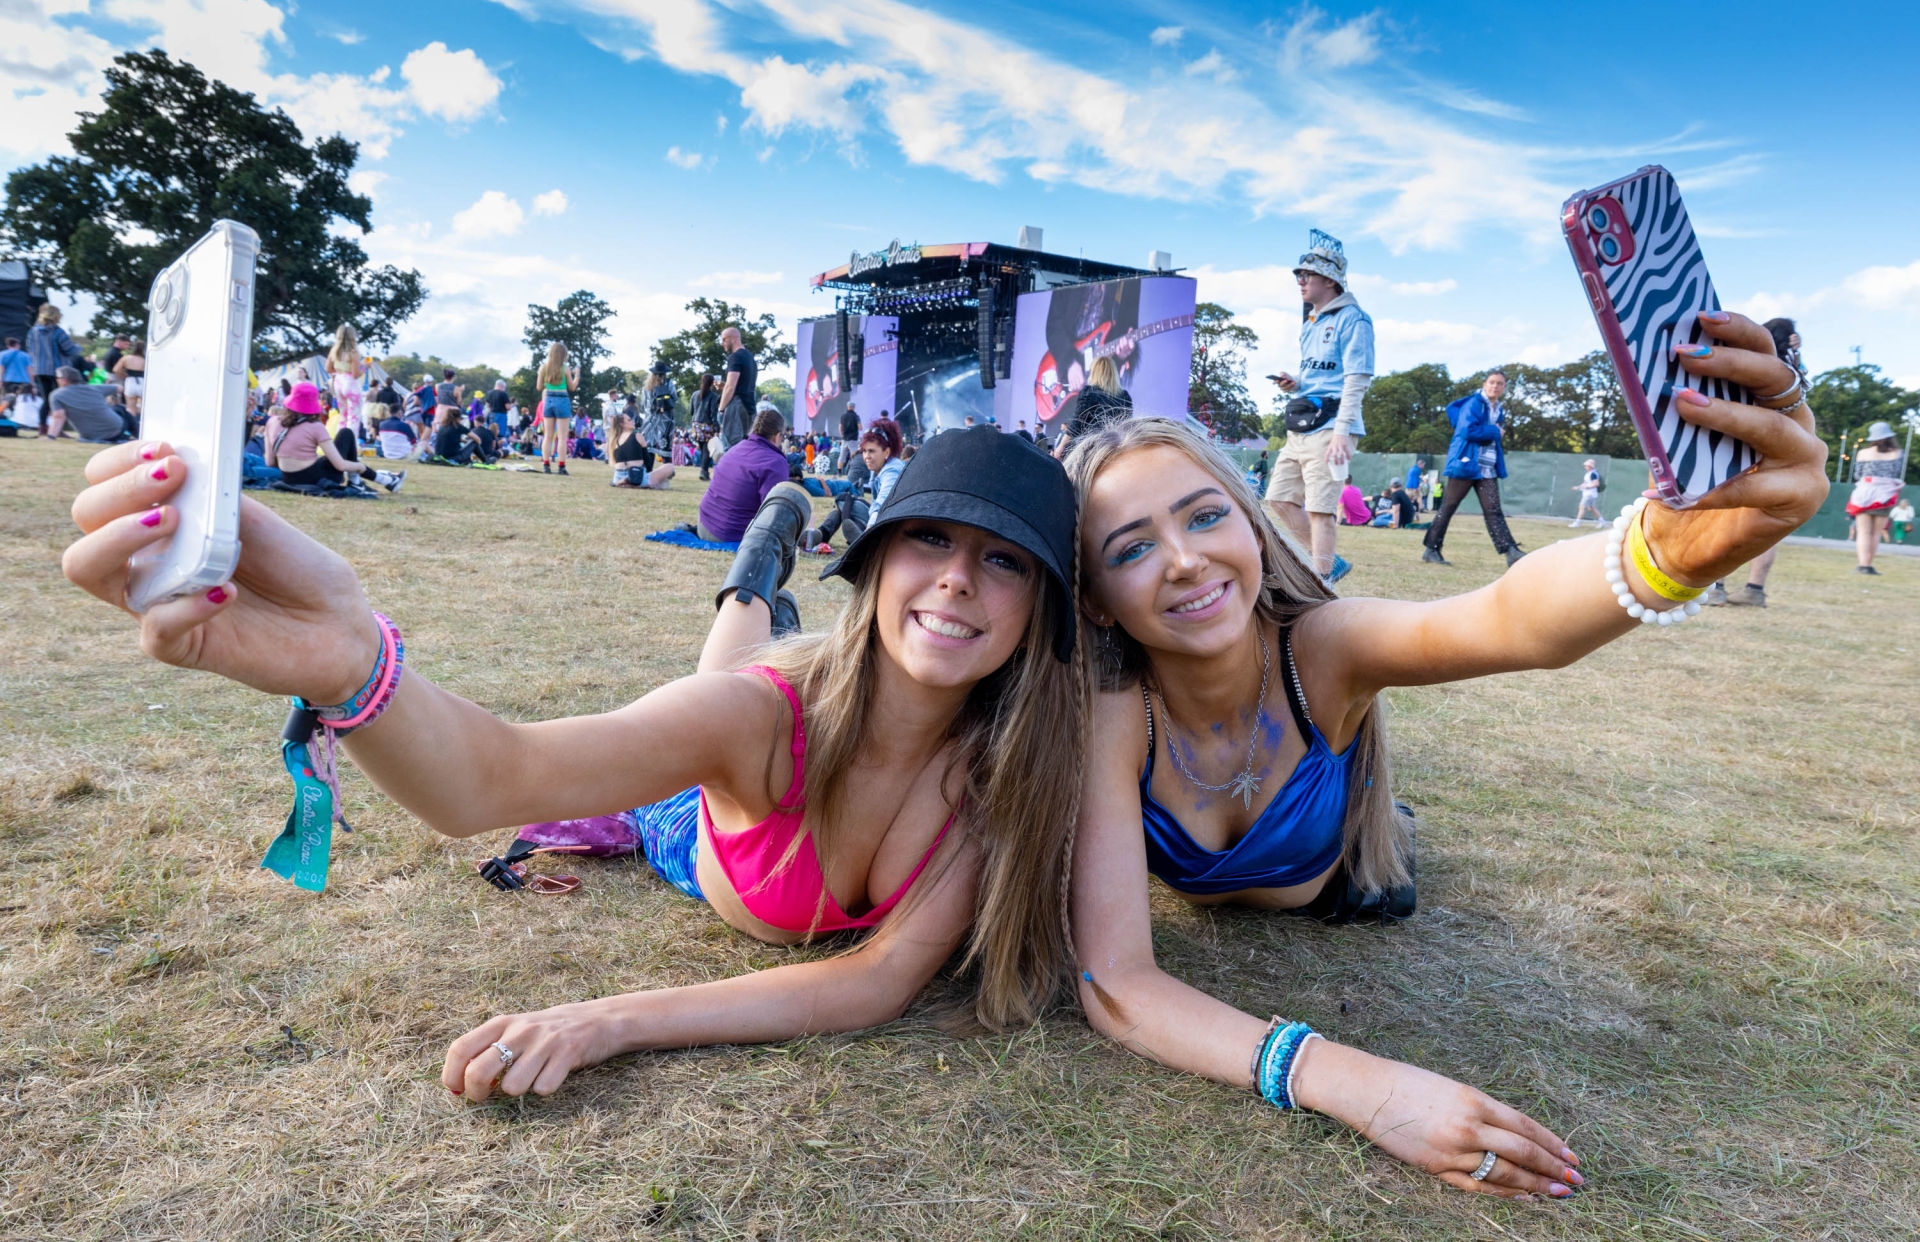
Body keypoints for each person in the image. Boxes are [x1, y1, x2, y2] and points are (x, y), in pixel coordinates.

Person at [62, 424, 1084, 1105]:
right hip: (694, 827)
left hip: (786, 743)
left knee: (739, 680)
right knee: (728, 686)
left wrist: (610, 1022)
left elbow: (879, 980)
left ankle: (757, 583)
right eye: (930, 540)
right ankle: (753, 579)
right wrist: (353, 665)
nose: (958, 578)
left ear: (1041, 606)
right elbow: (492, 777)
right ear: (876, 562)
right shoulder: (762, 723)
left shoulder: (1001, 774)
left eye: (1002, 559)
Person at [1062, 316, 1826, 1198]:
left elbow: (1508, 619)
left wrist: (1662, 550)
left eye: (1204, 516)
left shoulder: (1323, 648)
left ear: (1252, 525)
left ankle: (1392, 824)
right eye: (1133, 547)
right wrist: (1356, 1082)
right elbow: (1118, 982)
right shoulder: (1111, 714)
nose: (1186, 560)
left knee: (1395, 836)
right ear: (1097, 599)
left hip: (1352, 886)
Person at [1264, 231, 1372, 584]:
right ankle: (1330, 563)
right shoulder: (1311, 323)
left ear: (1330, 279)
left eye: (1306, 274)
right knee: (1279, 499)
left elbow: (1356, 379)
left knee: (1320, 510)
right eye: (1298, 275)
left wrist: (1342, 432)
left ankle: (1322, 580)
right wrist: (1294, 382)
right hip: (1303, 424)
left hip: (1332, 426)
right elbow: (1318, 376)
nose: (1300, 280)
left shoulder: (1354, 319)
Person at [1423, 371, 1524, 567]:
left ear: (1504, 387)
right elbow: (1466, 431)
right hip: (1466, 463)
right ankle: (1431, 549)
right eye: (1492, 382)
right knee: (1449, 506)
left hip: (1487, 467)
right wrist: (1495, 431)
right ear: (1484, 384)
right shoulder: (1474, 404)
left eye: (1500, 383)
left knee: (1493, 509)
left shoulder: (1498, 409)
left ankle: (1511, 551)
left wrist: (1495, 434)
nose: (1495, 386)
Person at [266, 381, 405, 492]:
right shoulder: (315, 427)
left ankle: (381, 481)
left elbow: (270, 462)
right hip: (316, 479)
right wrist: (360, 466)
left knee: (329, 455)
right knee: (346, 434)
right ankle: (382, 480)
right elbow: (340, 465)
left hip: (288, 478)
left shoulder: (272, 422)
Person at [693, 402, 791, 543]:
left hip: (704, 525)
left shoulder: (735, 448)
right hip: (732, 535)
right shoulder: (775, 462)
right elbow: (774, 513)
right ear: (777, 436)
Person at [803, 418, 905, 552]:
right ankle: (821, 534)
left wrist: (870, 530)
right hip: (892, 523)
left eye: (872, 451)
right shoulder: (882, 467)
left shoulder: (891, 471)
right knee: (846, 502)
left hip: (896, 529)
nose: (866, 456)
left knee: (846, 502)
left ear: (886, 452)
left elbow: (881, 503)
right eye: (864, 451)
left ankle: (864, 539)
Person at [1847, 421, 1905, 576]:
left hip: (1864, 493)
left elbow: (1857, 475)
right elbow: (1896, 472)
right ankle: (1869, 564)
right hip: (1885, 495)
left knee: (1863, 532)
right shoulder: (1898, 453)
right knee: (1876, 533)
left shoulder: (1863, 453)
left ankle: (1862, 565)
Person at [44, 366, 135, 442]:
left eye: (57, 378)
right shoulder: (94, 388)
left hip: (91, 436)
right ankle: (138, 435)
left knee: (117, 409)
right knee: (119, 408)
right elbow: (120, 387)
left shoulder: (57, 395)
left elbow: (58, 416)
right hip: (116, 430)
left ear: (64, 380)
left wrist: (51, 436)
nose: (56, 380)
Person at [26, 304, 81, 423]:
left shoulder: (33, 331)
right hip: (58, 371)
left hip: (39, 370)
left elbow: (30, 349)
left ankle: (42, 427)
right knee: (59, 399)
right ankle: (57, 427)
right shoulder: (58, 332)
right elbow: (69, 349)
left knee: (46, 399)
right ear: (55, 316)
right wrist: (78, 347)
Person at [1064, 356, 1133, 444]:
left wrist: (1060, 447)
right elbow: (1127, 425)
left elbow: (1077, 423)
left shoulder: (1089, 392)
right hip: (1117, 446)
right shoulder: (1124, 396)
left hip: (1094, 446)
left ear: (1094, 373)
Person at [535, 343, 577, 476]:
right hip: (562, 399)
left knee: (547, 436)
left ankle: (546, 465)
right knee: (562, 437)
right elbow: (572, 387)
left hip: (549, 399)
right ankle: (561, 467)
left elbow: (539, 387)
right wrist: (577, 376)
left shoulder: (543, 367)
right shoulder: (565, 369)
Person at [608, 410, 677, 489]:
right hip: (637, 476)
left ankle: (622, 482)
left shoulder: (614, 441)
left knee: (660, 481)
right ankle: (633, 483)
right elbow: (647, 461)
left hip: (618, 476)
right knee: (670, 466)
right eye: (629, 420)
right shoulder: (637, 436)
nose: (633, 421)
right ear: (622, 424)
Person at [716, 326, 758, 452]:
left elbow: (730, 387)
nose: (722, 343)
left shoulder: (735, 357)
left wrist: (721, 410)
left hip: (737, 407)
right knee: (746, 447)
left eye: (724, 339)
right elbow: (744, 384)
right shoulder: (750, 357)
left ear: (733, 339)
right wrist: (724, 386)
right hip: (750, 407)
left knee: (731, 447)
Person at [327, 325, 365, 436]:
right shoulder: (354, 352)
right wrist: (365, 366)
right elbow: (356, 374)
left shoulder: (334, 351)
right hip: (351, 384)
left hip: (338, 383)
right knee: (354, 417)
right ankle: (351, 444)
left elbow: (328, 369)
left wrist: (341, 369)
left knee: (343, 417)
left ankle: (339, 442)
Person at [1570, 459, 1605, 528]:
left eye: (1587, 465)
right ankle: (1602, 521)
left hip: (1589, 494)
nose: (1585, 466)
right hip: (1588, 493)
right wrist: (1578, 487)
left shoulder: (1593, 474)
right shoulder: (1588, 474)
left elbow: (1596, 484)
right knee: (1591, 508)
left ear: (1590, 466)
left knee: (1581, 507)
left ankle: (1577, 523)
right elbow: (1585, 483)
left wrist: (1587, 487)